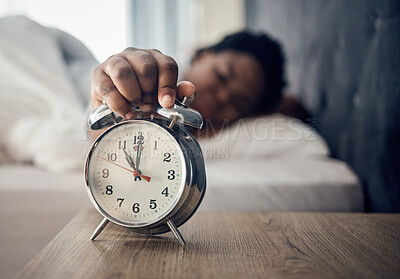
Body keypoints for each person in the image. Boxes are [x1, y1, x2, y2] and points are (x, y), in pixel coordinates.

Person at [90, 31, 309, 139]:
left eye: (239, 102)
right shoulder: (150, 75)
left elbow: (293, 108)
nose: (222, 97)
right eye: (222, 76)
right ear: (203, 56)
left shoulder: (223, 133)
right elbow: (93, 131)